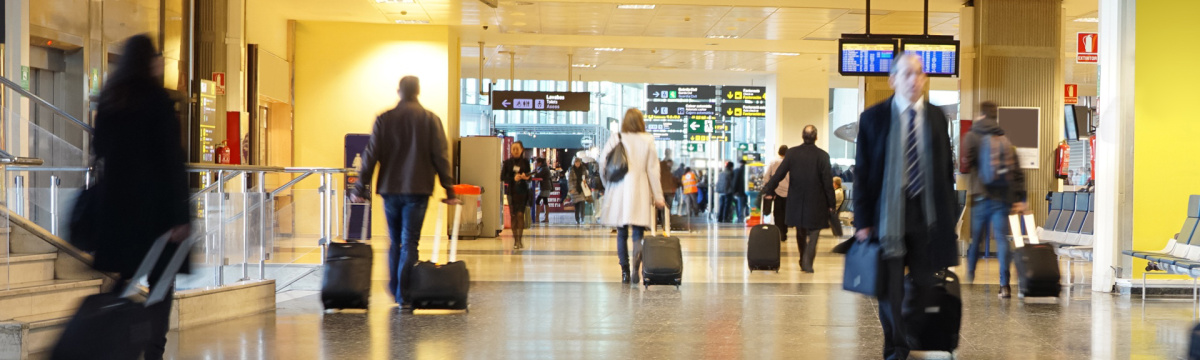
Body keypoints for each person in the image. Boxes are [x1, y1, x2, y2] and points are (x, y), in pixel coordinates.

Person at [88, 34, 191, 360]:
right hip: (158, 214)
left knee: (126, 280)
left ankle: (116, 342)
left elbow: (99, 150)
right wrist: (180, 217)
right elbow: (172, 161)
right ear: (149, 62)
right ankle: (152, 351)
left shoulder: (110, 100)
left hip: (119, 212)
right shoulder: (157, 101)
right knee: (160, 286)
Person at [853, 54, 959, 360]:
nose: (915, 80)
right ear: (893, 80)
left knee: (926, 285)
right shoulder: (873, 118)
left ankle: (909, 336)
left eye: (920, 74)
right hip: (888, 216)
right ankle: (897, 347)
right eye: (908, 74)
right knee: (891, 290)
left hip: (925, 216)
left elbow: (944, 174)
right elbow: (862, 172)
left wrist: (948, 217)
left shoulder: (937, 117)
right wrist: (862, 221)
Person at [351, 75, 458, 310]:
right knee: (410, 242)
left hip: (390, 189)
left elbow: (371, 155)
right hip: (418, 190)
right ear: (418, 91)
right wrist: (449, 189)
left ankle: (395, 288)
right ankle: (405, 294)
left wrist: (360, 187)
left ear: (399, 91)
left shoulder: (384, 119)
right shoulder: (431, 119)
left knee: (395, 241)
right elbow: (440, 156)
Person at [962, 101, 1027, 298]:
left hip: (981, 196)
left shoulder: (972, 136)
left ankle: (970, 277)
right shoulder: (1004, 138)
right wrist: (1021, 198)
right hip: (1002, 198)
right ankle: (1004, 285)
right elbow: (1017, 172)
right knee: (1001, 240)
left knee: (977, 239)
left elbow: (964, 166)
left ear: (981, 115)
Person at [599, 108, 666, 284]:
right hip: (640, 190)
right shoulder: (648, 140)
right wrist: (658, 196)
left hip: (619, 189)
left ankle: (625, 272)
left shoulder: (617, 137)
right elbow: (653, 170)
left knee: (621, 233)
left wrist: (607, 184)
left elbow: (603, 161)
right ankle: (637, 267)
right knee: (638, 233)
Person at [764, 126, 836, 273]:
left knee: (801, 232)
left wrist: (769, 190)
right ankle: (807, 262)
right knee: (814, 232)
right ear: (816, 137)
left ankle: (803, 258)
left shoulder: (792, 153)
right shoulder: (823, 156)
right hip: (817, 201)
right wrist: (831, 203)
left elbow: (779, 174)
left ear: (802, 136)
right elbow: (828, 182)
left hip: (796, 201)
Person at [501, 141, 532, 249]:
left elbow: (530, 176)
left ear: (522, 149)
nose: (515, 151)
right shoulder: (508, 163)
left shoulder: (525, 162)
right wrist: (512, 178)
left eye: (517, 149)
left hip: (522, 192)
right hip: (511, 192)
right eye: (513, 149)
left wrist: (526, 177)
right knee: (513, 216)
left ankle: (519, 239)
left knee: (520, 215)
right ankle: (516, 240)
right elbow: (502, 177)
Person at [764, 145, 791, 242]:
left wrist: (768, 189)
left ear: (779, 152)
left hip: (777, 191)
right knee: (786, 213)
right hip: (789, 192)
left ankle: (780, 233)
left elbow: (767, 177)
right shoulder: (790, 162)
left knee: (778, 213)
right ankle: (785, 231)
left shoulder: (773, 162)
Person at [659, 159, 681, 226]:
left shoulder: (661, 172)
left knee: (664, 208)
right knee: (667, 208)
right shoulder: (670, 172)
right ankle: (666, 222)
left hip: (663, 192)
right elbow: (676, 182)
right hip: (669, 192)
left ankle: (664, 222)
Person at [568, 157, 590, 225]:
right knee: (577, 206)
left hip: (582, 189)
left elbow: (587, 178)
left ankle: (582, 218)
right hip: (575, 190)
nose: (577, 164)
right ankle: (577, 219)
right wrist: (571, 188)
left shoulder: (583, 169)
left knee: (582, 204)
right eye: (576, 162)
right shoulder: (571, 170)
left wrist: (586, 182)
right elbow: (569, 180)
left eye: (578, 162)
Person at [533, 158, 553, 223]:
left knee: (537, 200)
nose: (536, 163)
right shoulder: (543, 167)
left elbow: (537, 175)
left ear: (540, 163)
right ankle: (546, 218)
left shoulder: (544, 168)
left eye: (537, 162)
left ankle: (537, 218)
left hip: (545, 187)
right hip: (545, 186)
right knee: (545, 201)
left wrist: (535, 168)